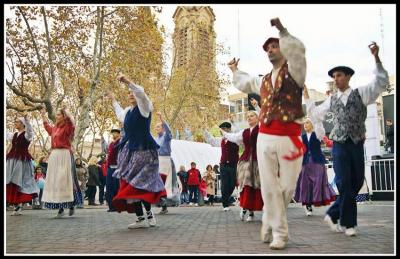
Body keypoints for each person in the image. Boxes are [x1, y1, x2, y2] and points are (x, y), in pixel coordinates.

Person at [228, 18, 306, 249]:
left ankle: (269, 219)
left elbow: (299, 51)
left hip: (291, 135)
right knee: (270, 186)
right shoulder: (262, 80)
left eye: (274, 46)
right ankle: (280, 233)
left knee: (287, 187)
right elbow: (244, 82)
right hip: (266, 135)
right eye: (268, 48)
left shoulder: (296, 71)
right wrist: (234, 70)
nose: (271, 50)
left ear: (283, 48)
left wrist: (282, 30)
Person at [305, 42, 389, 236]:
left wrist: (376, 57)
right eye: (334, 76)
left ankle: (334, 213)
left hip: (357, 143)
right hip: (340, 144)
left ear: (348, 76)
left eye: (339, 75)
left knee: (357, 182)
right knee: (344, 182)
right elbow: (316, 114)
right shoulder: (332, 99)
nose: (336, 79)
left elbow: (381, 82)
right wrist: (307, 97)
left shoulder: (362, 93)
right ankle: (349, 224)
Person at [106, 74, 166, 229]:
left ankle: (149, 214)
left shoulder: (145, 108)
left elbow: (141, 93)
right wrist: (113, 99)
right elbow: (119, 114)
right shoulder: (127, 112)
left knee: (140, 184)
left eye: (133, 92)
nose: (131, 94)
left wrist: (128, 82)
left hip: (144, 151)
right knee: (129, 184)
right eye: (129, 93)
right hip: (129, 152)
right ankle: (140, 217)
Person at [220, 110, 264, 222]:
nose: (249, 118)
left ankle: (254, 209)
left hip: (259, 160)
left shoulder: (262, 129)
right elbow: (233, 136)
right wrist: (223, 132)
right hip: (245, 161)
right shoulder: (244, 132)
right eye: (248, 116)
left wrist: (257, 107)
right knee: (246, 184)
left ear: (258, 118)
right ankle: (247, 209)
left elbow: (265, 120)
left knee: (258, 186)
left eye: (252, 116)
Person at [40, 106, 83, 218]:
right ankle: (61, 209)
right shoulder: (55, 128)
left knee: (64, 180)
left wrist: (65, 112)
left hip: (65, 155)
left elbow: (71, 124)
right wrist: (43, 116)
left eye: (59, 114)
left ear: (64, 116)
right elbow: (48, 128)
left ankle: (71, 204)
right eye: (57, 114)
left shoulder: (68, 127)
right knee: (56, 181)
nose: (56, 116)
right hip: (54, 155)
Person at [293, 114, 336, 216]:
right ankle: (308, 205)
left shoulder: (318, 134)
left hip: (317, 161)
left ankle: (317, 199)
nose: (305, 124)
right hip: (305, 162)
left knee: (318, 181)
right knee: (305, 183)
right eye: (304, 123)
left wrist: (316, 117)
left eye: (307, 122)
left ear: (312, 124)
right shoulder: (302, 137)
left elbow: (321, 129)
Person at [6, 113, 39, 216]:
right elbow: (6, 134)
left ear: (22, 124)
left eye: (17, 122)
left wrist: (27, 120)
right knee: (11, 180)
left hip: (22, 161)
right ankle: (16, 204)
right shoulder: (14, 135)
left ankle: (19, 204)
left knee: (20, 181)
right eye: (15, 121)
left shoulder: (26, 135)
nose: (15, 123)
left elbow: (30, 130)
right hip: (13, 160)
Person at [204, 122, 239, 211]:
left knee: (232, 184)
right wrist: (205, 130)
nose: (221, 131)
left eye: (222, 129)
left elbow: (238, 132)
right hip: (223, 165)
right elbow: (211, 140)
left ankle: (226, 199)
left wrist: (233, 122)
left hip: (233, 164)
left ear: (228, 129)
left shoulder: (235, 138)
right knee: (224, 185)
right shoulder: (221, 140)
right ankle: (225, 205)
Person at [154, 111, 179, 214]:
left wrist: (162, 119)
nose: (157, 128)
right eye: (156, 127)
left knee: (166, 183)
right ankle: (162, 204)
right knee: (158, 183)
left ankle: (165, 204)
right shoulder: (156, 139)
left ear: (163, 128)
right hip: (158, 162)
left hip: (165, 161)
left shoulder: (166, 137)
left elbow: (169, 131)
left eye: (159, 126)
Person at [105, 129, 122, 212]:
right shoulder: (111, 144)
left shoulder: (120, 142)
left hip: (117, 168)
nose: (113, 134)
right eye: (113, 133)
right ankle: (111, 206)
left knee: (116, 187)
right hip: (110, 168)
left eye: (115, 133)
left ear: (119, 134)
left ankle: (118, 206)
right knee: (109, 188)